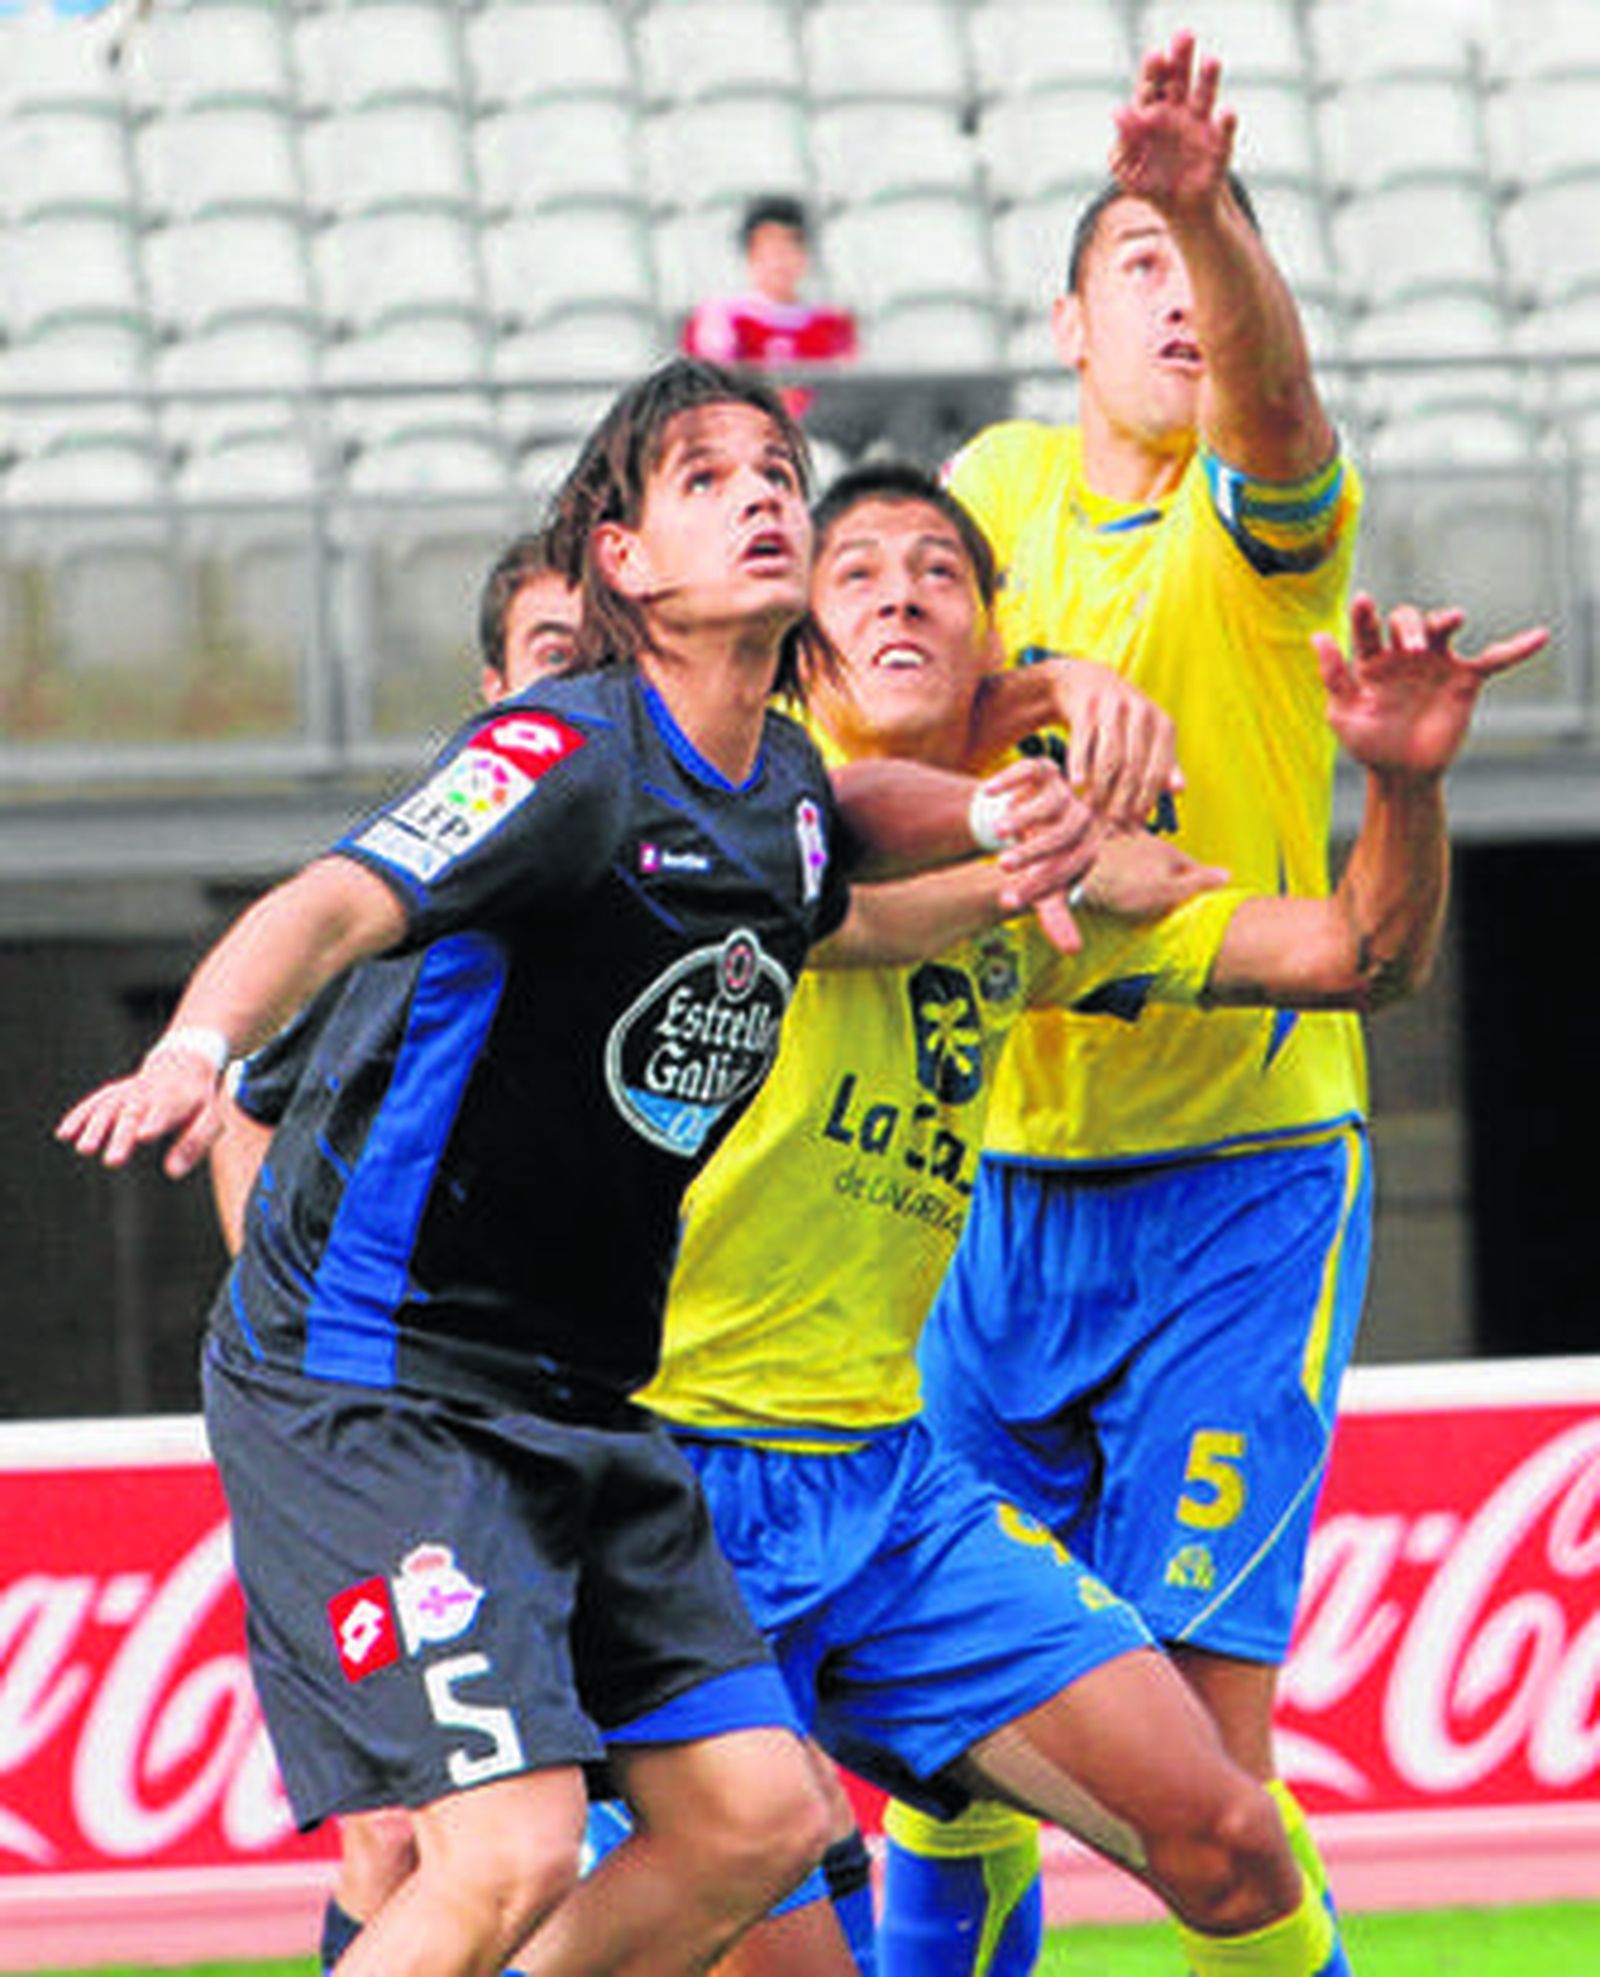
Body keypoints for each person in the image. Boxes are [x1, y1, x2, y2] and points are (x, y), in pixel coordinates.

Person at [56, 360, 1096, 1977]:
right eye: (705, 478)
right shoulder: (557, 758)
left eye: (776, 467)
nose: (764, 493)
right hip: (382, 1383)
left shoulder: (777, 806)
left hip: (584, 1401)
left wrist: (1005, 843)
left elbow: (846, 884)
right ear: (621, 561)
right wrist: (197, 1041)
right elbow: (329, 903)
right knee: (508, 1843)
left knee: (757, 1822)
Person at [637, 463, 1544, 1977]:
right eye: (854, 572)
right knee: (648, 1904)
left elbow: (1350, 957)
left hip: (882, 1481)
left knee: (1232, 1839)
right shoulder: (736, 799)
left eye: (941, 571)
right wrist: (1036, 770)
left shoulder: (1041, 900)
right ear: (800, 642)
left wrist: (1399, 782)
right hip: (670, 1485)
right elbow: (831, 836)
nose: (901, 592)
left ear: (989, 640)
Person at [888, 31, 1379, 1964]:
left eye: (1213, 264)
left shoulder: (1261, 528)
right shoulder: (994, 493)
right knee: (937, 1744)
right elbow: (889, 688)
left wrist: (1192, 196)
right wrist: (1034, 695)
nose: (1184, 298)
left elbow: (1276, 419)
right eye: (1145, 268)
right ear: (1069, 322)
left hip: (1237, 1175)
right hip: (989, 1193)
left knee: (1197, 1764)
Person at [207, 527, 584, 1973]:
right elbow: (249, 1098)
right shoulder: (436, 876)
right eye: (552, 660)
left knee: (714, 1819)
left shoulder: (648, 872)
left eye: (603, 662)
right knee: (419, 1834)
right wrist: (309, 1344)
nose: (580, 693)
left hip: (556, 1404)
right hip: (367, 1413)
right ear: (494, 687)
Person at [682, 193, 859, 423]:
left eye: (790, 247)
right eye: (768, 249)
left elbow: (844, 395)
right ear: (750, 256)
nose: (779, 261)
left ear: (805, 257)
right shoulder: (722, 319)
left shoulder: (833, 325)